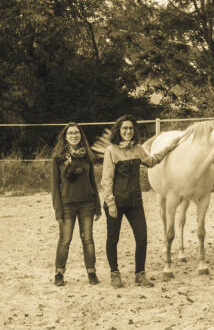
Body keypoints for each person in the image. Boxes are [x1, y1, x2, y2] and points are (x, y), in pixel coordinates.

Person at [101, 114, 183, 288]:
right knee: (112, 239)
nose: (128, 131)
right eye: (124, 128)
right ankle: (114, 273)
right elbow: (106, 180)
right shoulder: (111, 151)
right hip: (116, 202)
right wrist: (111, 203)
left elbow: (152, 161)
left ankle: (140, 274)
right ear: (119, 130)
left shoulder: (138, 149)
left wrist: (168, 148)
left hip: (135, 202)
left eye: (130, 128)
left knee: (142, 238)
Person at [51, 122, 101, 286]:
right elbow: (54, 186)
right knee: (65, 241)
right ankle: (59, 273)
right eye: (70, 133)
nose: (74, 135)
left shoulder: (87, 156)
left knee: (88, 240)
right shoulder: (58, 158)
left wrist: (97, 205)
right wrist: (58, 210)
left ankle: (91, 272)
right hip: (67, 205)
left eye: (76, 133)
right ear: (65, 137)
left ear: (81, 136)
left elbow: (93, 182)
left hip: (87, 203)